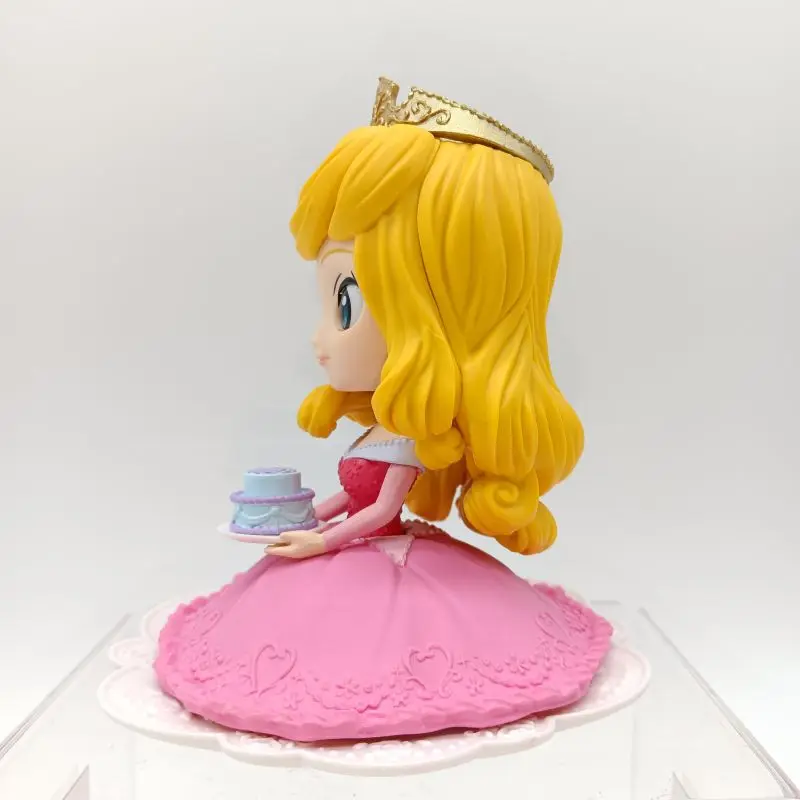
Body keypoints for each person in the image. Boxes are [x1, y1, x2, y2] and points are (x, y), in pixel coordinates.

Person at [155, 79, 612, 742]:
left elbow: (377, 510)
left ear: (444, 307)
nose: (320, 338)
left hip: (382, 552)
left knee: (389, 637)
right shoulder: (381, 421)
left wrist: (322, 539)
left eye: (345, 301)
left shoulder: (406, 439)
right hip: (355, 544)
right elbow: (353, 497)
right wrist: (308, 517)